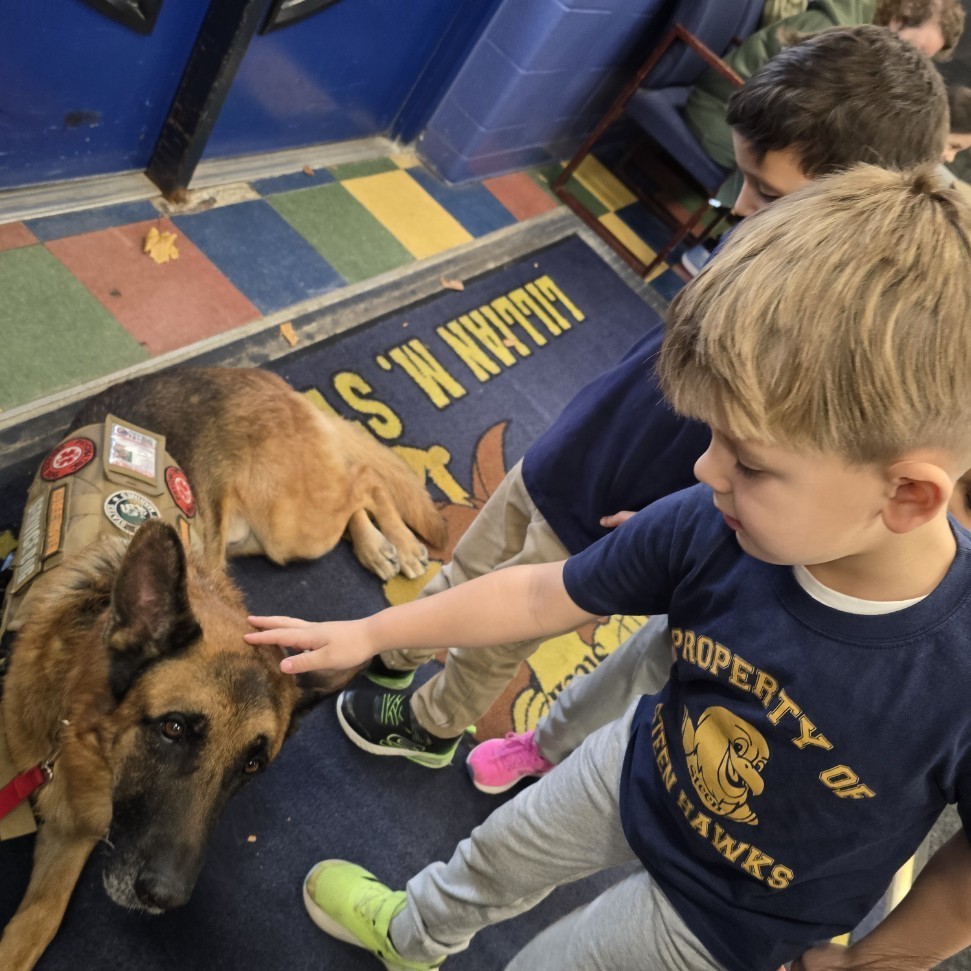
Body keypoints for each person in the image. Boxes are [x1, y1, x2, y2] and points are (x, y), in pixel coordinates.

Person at [246, 165, 971, 970]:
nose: (703, 469)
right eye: (711, 435)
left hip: (731, 917)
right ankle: (411, 935)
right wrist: (374, 631)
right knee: (493, 855)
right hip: (639, 760)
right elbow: (538, 594)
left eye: (750, 462)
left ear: (906, 495)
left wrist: (883, 959)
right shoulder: (712, 517)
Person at [329, 26, 951, 771]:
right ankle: (401, 646)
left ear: (853, 209)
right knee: (477, 555)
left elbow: (778, 483)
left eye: (769, 192)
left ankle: (434, 723)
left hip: (619, 507)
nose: (740, 207)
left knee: (503, 629)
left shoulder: (848, 354)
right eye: (743, 179)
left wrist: (677, 518)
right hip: (583, 442)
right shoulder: (766, 239)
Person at [682, 0, 963, 204]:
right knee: (811, 189)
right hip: (723, 109)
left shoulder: (859, 47)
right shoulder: (836, 39)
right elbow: (784, 114)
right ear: (899, 20)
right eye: (915, 48)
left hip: (757, 117)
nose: (912, 60)